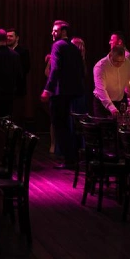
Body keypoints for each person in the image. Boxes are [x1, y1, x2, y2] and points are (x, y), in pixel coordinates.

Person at [40, 20, 87, 169]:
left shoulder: (57, 45)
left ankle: (68, 159)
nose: (52, 33)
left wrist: (48, 89)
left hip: (59, 93)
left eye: (55, 30)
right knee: (67, 125)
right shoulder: (73, 48)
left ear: (63, 31)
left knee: (59, 124)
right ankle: (72, 158)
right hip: (73, 92)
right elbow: (80, 71)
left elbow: (55, 69)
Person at [93, 45, 130, 118]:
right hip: (103, 104)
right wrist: (112, 108)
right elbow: (101, 90)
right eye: (116, 61)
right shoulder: (100, 66)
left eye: (121, 61)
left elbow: (129, 82)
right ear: (110, 55)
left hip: (120, 101)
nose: (119, 64)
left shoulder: (126, 62)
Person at [6, 27, 31, 125]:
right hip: (5, 90)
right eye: (7, 36)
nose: (8, 38)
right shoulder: (3, 51)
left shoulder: (23, 52)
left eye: (11, 36)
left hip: (18, 89)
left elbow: (26, 69)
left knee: (17, 116)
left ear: (17, 38)